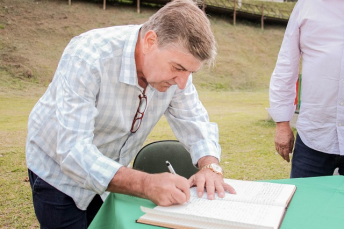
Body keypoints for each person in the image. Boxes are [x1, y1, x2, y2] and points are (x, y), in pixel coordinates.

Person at [26, 0, 236, 228]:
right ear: (150, 41)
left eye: (190, 72)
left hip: (110, 174)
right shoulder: (87, 56)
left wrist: (210, 166)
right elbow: (72, 151)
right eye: (178, 68)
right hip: (58, 175)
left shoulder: (177, 68)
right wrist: (145, 184)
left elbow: (193, 119)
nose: (183, 83)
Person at [268, 0, 344, 178]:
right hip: (314, 136)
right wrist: (282, 123)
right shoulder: (307, 5)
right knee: (305, 202)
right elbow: (286, 66)